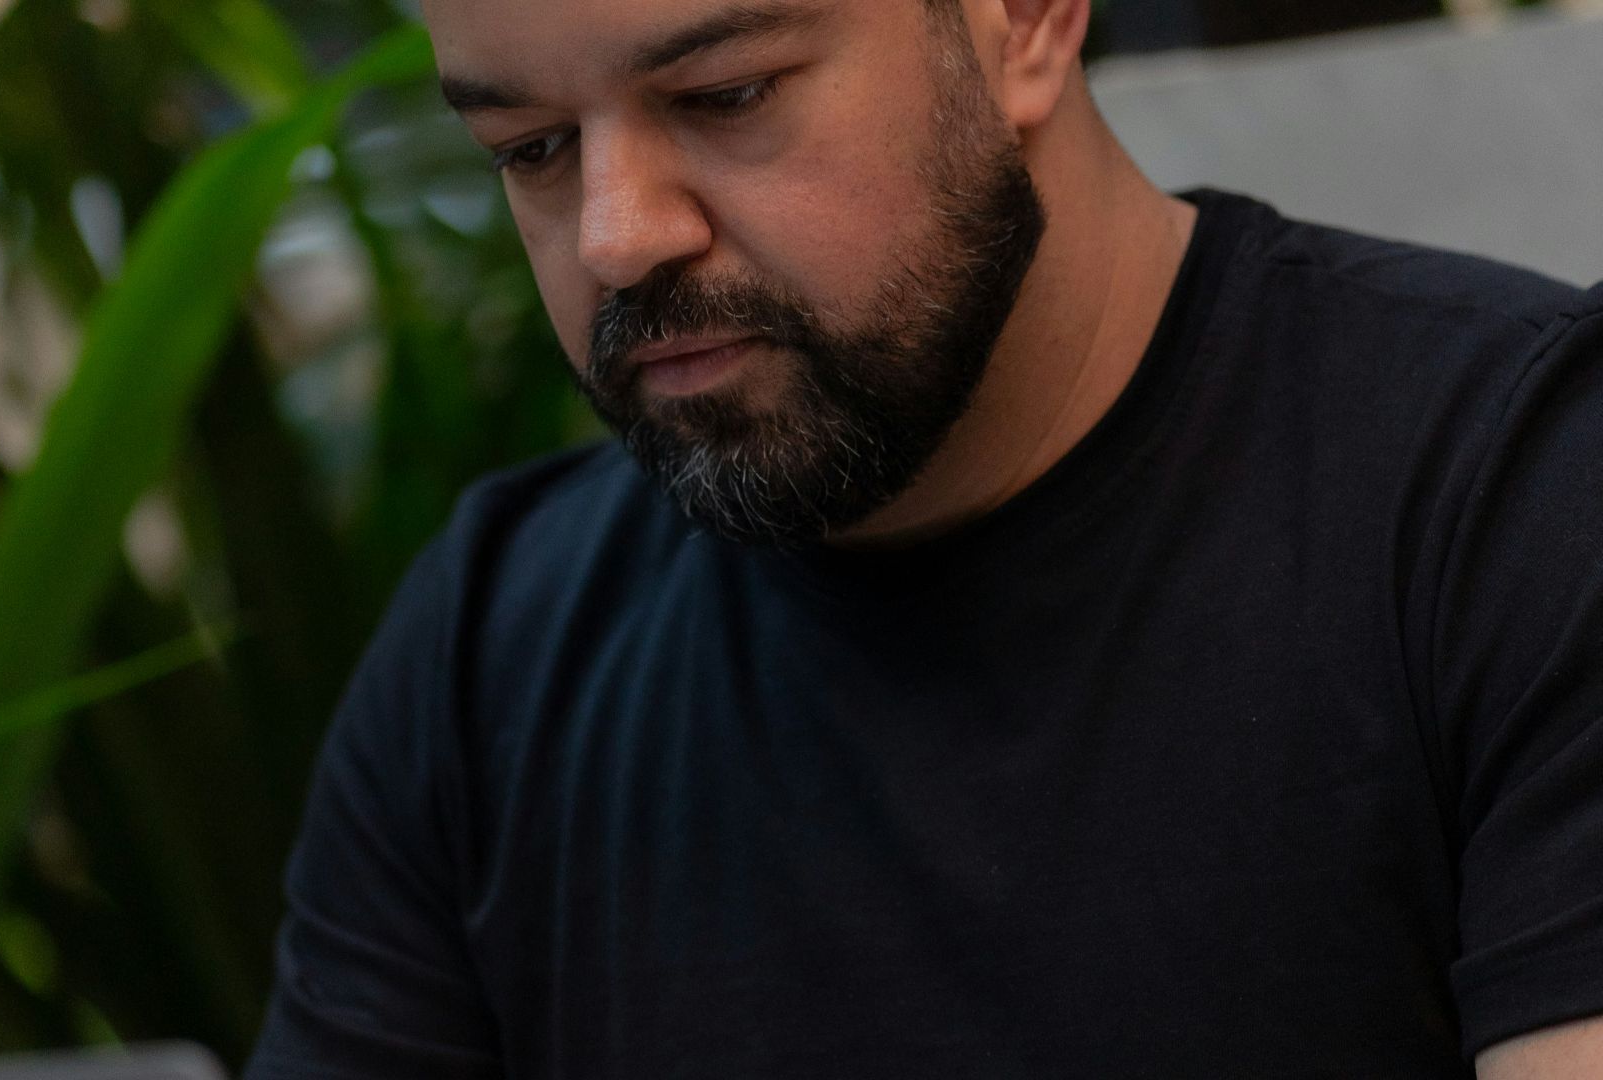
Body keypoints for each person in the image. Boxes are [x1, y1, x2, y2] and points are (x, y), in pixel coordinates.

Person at [243, 0, 1603, 1075]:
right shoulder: (493, 652)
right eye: (531, 148)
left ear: (1023, 19)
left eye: (726, 95)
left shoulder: (1520, 496)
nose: (617, 236)